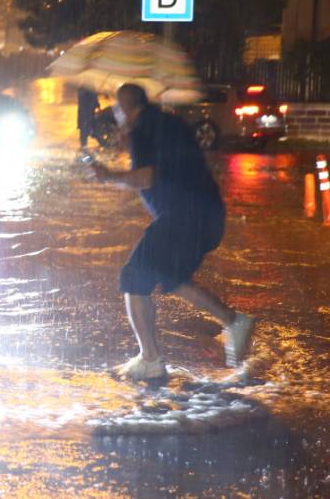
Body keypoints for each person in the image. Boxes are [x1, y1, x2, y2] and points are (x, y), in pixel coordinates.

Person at [88, 83, 255, 380]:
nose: (115, 115)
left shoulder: (144, 130)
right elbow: (170, 164)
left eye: (116, 108)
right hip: (207, 216)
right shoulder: (167, 122)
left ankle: (150, 360)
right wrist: (132, 145)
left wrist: (107, 176)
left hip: (181, 217)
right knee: (171, 277)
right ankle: (233, 321)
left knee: (134, 277)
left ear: (126, 108)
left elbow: (146, 178)